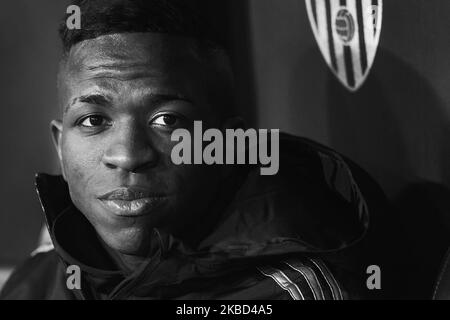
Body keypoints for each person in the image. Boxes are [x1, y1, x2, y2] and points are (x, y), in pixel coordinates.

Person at [0, 0, 370, 300]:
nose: (128, 156)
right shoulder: (36, 280)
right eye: (94, 121)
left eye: (167, 120)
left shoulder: (286, 294)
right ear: (61, 149)